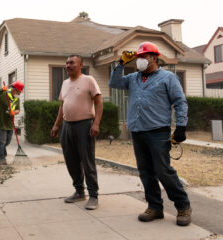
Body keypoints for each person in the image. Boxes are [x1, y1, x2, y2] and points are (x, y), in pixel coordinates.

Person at [109, 42, 192, 226]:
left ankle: (183, 207)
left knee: (163, 171)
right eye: (138, 57)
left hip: (158, 132)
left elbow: (180, 102)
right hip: (138, 132)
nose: (140, 60)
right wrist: (120, 64)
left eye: (143, 57)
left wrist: (181, 126)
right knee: (146, 172)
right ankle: (155, 207)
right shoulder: (133, 78)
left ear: (154, 58)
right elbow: (114, 83)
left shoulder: (168, 78)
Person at [51, 55, 103, 210]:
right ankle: (79, 191)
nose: (68, 65)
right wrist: (56, 125)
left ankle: (93, 195)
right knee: (71, 160)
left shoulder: (89, 80)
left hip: (85, 125)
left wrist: (96, 124)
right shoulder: (65, 83)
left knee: (87, 161)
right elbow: (62, 105)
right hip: (67, 126)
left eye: (71, 63)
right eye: (66, 63)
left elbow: (99, 103)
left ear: (80, 65)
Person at [0, 81, 24, 165]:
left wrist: (14, 112)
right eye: (19, 91)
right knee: (2, 142)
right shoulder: (3, 95)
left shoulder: (16, 99)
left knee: (7, 142)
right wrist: (1, 90)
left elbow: (18, 109)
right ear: (14, 89)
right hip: (1, 122)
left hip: (10, 124)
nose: (20, 93)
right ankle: (1, 158)